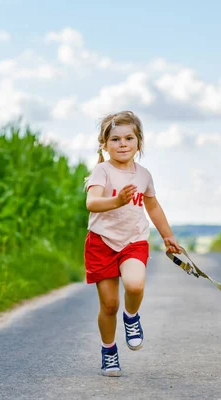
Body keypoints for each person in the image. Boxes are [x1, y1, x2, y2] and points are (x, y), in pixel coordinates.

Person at [83, 110, 183, 377]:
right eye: (115, 139)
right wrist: (116, 201)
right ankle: (109, 350)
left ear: (139, 142)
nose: (123, 144)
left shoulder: (144, 175)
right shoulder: (102, 170)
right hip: (102, 243)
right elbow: (91, 203)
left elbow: (152, 205)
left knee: (135, 285)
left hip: (133, 241)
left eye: (129, 138)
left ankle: (131, 317)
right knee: (109, 305)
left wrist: (168, 235)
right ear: (104, 145)